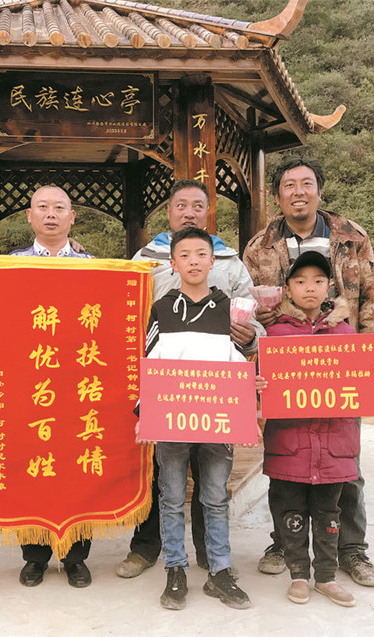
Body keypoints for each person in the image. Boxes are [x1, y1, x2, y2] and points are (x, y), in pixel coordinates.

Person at [243, 156, 374, 587]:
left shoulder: (351, 236)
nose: (298, 192)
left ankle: (351, 549)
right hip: (287, 368)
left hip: (340, 364)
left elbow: (373, 296)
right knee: (286, 460)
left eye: (306, 183)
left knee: (346, 463)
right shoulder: (260, 246)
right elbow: (247, 308)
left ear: (319, 191)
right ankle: (283, 542)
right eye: (289, 185)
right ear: (277, 196)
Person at [117, 179, 264, 578]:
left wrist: (250, 338)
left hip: (216, 390)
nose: (189, 212)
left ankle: (209, 555)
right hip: (167, 388)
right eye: (181, 205)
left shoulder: (230, 262)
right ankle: (146, 548)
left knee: (210, 479)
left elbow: (253, 322)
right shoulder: (144, 259)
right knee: (160, 477)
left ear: (208, 212)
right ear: (168, 212)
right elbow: (129, 316)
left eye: (198, 205)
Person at [255, 251, 374, 607]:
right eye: (300, 281)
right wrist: (258, 384)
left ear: (329, 286)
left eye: (317, 281)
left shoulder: (345, 332)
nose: (309, 288)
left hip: (333, 448)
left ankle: (326, 578)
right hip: (289, 447)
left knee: (330, 516)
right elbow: (258, 382)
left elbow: (359, 381)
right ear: (287, 289)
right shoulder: (274, 334)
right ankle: (298, 576)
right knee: (290, 514)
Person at [139, 226, 252, 611]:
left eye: (201, 254)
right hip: (171, 423)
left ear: (213, 261)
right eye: (184, 255)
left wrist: (246, 411)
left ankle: (220, 571)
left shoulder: (228, 309)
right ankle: (175, 570)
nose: (193, 262)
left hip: (218, 422)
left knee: (215, 497)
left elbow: (240, 360)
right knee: (171, 498)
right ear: (173, 263)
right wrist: (144, 413)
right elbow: (150, 362)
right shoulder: (162, 308)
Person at [10, 185, 94, 588]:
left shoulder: (92, 266)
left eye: (60, 207)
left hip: (77, 384)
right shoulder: (11, 266)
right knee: (35, 467)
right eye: (42, 207)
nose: (51, 214)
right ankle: (35, 556)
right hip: (32, 382)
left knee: (77, 466)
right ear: (29, 216)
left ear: (72, 217)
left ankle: (75, 557)